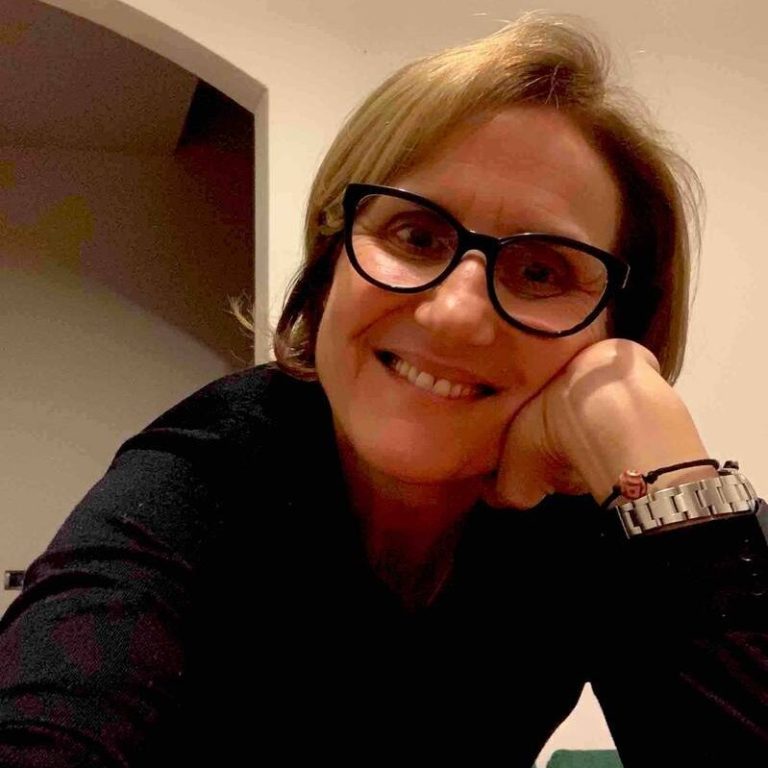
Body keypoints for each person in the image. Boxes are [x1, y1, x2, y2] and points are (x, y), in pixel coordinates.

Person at [1, 12, 766, 768]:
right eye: (416, 236)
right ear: (330, 259)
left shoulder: (590, 514)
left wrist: (662, 470)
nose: (455, 313)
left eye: (541, 270)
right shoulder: (211, 467)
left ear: (616, 324)